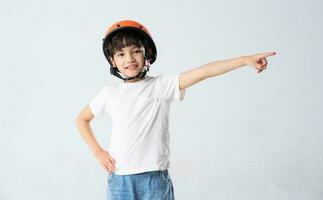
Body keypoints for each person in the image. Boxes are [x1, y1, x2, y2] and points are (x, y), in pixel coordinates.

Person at [75, 19, 276, 200]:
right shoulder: (109, 94)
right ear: (112, 61)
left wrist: (244, 60)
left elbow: (203, 72)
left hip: (154, 179)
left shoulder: (161, 86)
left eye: (135, 50)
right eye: (121, 54)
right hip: (119, 179)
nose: (129, 58)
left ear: (147, 54)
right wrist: (98, 152)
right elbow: (82, 119)